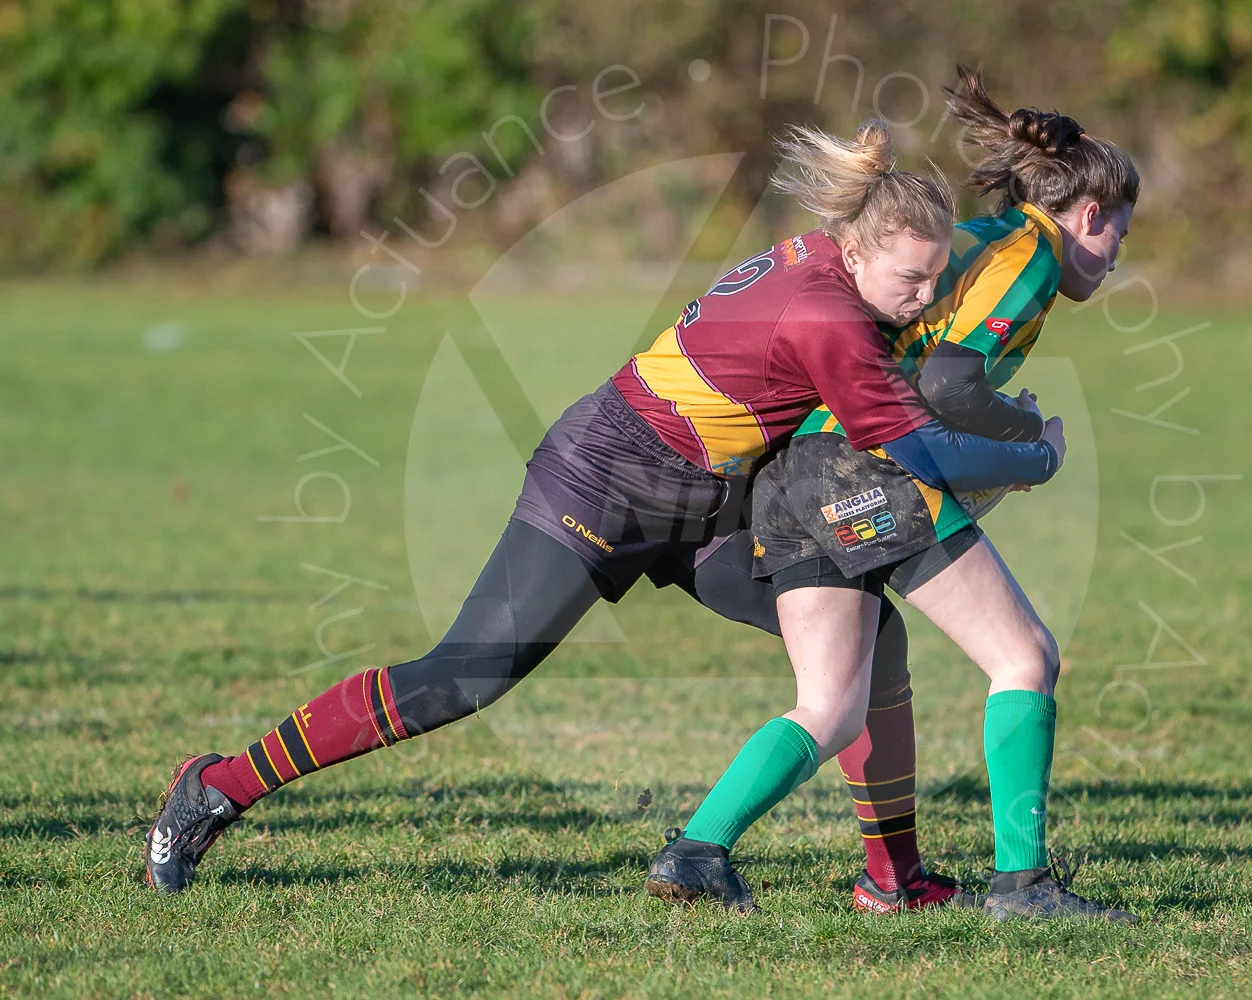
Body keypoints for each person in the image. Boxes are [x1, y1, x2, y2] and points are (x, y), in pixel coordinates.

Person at [144, 119, 1054, 910]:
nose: (926, 299)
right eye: (913, 279)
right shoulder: (832, 318)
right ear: (854, 252)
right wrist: (1031, 456)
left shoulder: (820, 255)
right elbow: (921, 454)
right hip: (602, 487)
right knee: (464, 678)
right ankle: (216, 787)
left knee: (868, 641)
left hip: (704, 506)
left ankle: (893, 879)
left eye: (936, 278)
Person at [647, 67, 1142, 923]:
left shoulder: (975, 241)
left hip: (794, 475)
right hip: (868, 467)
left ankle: (697, 852)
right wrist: (1026, 442)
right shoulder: (1027, 252)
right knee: (1025, 657)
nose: (1114, 256)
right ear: (1090, 216)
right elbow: (949, 385)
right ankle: (1023, 886)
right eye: (1120, 235)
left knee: (832, 705)